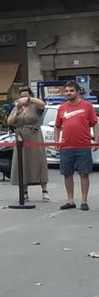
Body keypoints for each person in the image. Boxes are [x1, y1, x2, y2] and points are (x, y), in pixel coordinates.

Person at [54, 81, 97, 211]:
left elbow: (95, 123)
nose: (69, 93)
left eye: (71, 91)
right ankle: (70, 200)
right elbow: (57, 126)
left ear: (78, 92)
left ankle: (84, 201)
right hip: (66, 146)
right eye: (66, 91)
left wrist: (96, 139)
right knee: (67, 174)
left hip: (83, 145)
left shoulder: (87, 106)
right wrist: (57, 141)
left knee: (84, 173)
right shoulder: (62, 108)